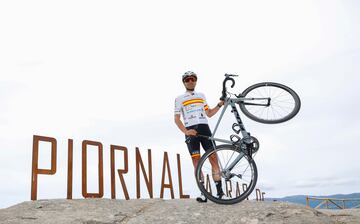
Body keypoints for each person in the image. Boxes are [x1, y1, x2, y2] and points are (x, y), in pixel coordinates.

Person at [174, 71, 225, 203]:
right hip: (191, 131)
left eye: (193, 79)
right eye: (187, 79)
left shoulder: (201, 96)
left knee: (213, 159)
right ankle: (203, 194)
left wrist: (219, 105)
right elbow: (176, 119)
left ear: (196, 81)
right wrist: (185, 131)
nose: (190, 81)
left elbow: (209, 113)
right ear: (184, 82)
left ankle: (220, 193)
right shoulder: (179, 98)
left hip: (204, 128)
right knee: (196, 163)